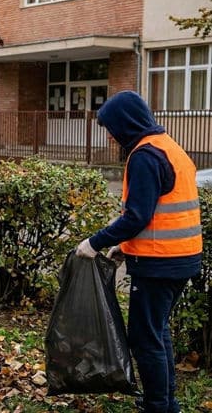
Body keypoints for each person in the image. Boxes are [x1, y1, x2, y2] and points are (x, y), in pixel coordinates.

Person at [75, 91, 201, 413]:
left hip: (159, 264)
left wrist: (95, 242)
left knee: (145, 338)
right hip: (181, 258)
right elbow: (158, 212)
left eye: (111, 128)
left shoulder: (145, 155)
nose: (110, 135)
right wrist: (124, 245)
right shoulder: (168, 146)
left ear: (126, 123)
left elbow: (137, 217)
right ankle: (165, 402)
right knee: (157, 331)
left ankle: (158, 406)